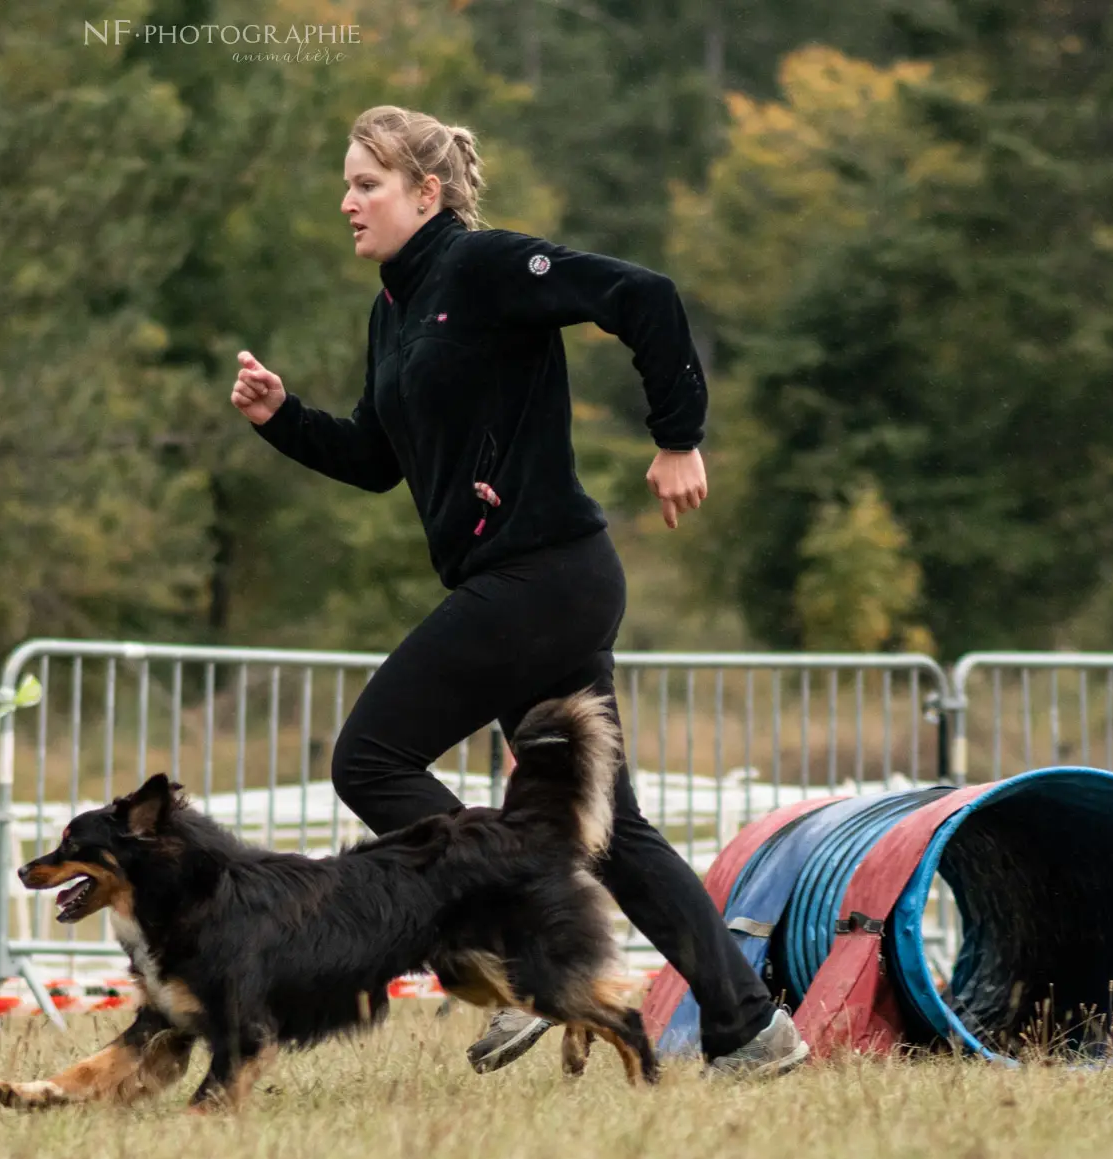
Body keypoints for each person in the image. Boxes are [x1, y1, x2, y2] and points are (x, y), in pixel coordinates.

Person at [229, 105, 807, 1077]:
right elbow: (378, 458)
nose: (345, 202)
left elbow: (644, 294)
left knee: (369, 758)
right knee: (614, 831)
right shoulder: (393, 309)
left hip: (544, 577)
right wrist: (284, 418)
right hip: (533, 585)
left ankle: (514, 932)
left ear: (426, 193)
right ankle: (748, 1027)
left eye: (365, 184)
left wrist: (677, 434)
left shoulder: (485, 266)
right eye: (345, 183)